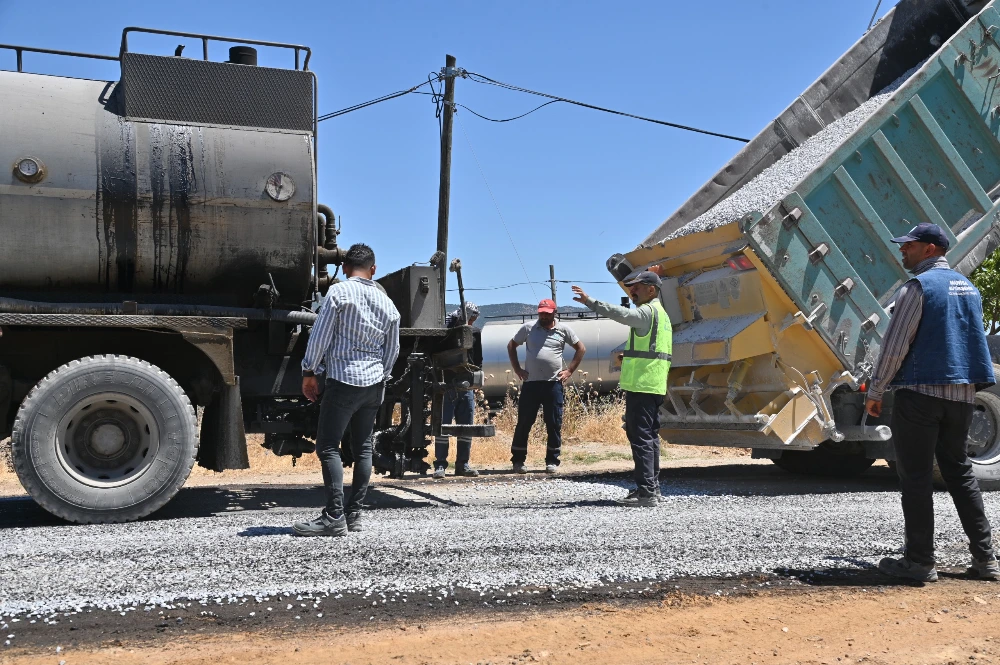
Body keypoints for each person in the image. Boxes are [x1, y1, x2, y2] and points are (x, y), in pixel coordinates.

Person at [865, 223, 999, 581]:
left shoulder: (917, 287)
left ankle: (920, 562)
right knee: (960, 474)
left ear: (929, 249)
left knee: (917, 477)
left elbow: (895, 346)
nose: (902, 251)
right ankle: (985, 561)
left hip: (921, 396)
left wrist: (876, 391)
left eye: (908, 246)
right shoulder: (967, 287)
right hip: (962, 398)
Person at [293, 243, 401, 537]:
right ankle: (354, 516)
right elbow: (393, 350)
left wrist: (309, 371)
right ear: (373, 270)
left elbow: (320, 335)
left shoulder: (338, 293)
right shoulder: (388, 304)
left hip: (343, 380)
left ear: (343, 268)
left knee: (328, 446)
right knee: (363, 447)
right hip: (373, 384)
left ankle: (333, 516)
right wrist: (382, 377)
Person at [572, 271, 671, 507]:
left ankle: (646, 492)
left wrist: (590, 302)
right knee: (649, 437)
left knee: (641, 438)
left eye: (638, 287)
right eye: (631, 287)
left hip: (643, 384)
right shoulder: (662, 315)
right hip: (654, 384)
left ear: (652, 290)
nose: (632, 291)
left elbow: (623, 315)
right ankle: (651, 489)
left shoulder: (647, 312)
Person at [507, 299, 586, 474]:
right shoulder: (528, 328)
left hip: (553, 385)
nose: (543, 316)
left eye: (547, 313)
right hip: (531, 384)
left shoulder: (564, 330)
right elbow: (511, 345)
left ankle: (552, 461)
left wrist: (569, 371)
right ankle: (518, 461)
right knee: (524, 423)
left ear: (554, 312)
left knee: (553, 423)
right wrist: (517, 369)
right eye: (541, 312)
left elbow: (581, 348)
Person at [433, 301, 483, 479]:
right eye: (472, 318)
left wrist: (476, 381)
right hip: (447, 384)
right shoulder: (446, 331)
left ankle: (463, 464)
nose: (472, 322)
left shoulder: (474, 332)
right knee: (443, 425)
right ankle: (440, 464)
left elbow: (478, 359)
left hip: (467, 384)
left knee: (466, 426)